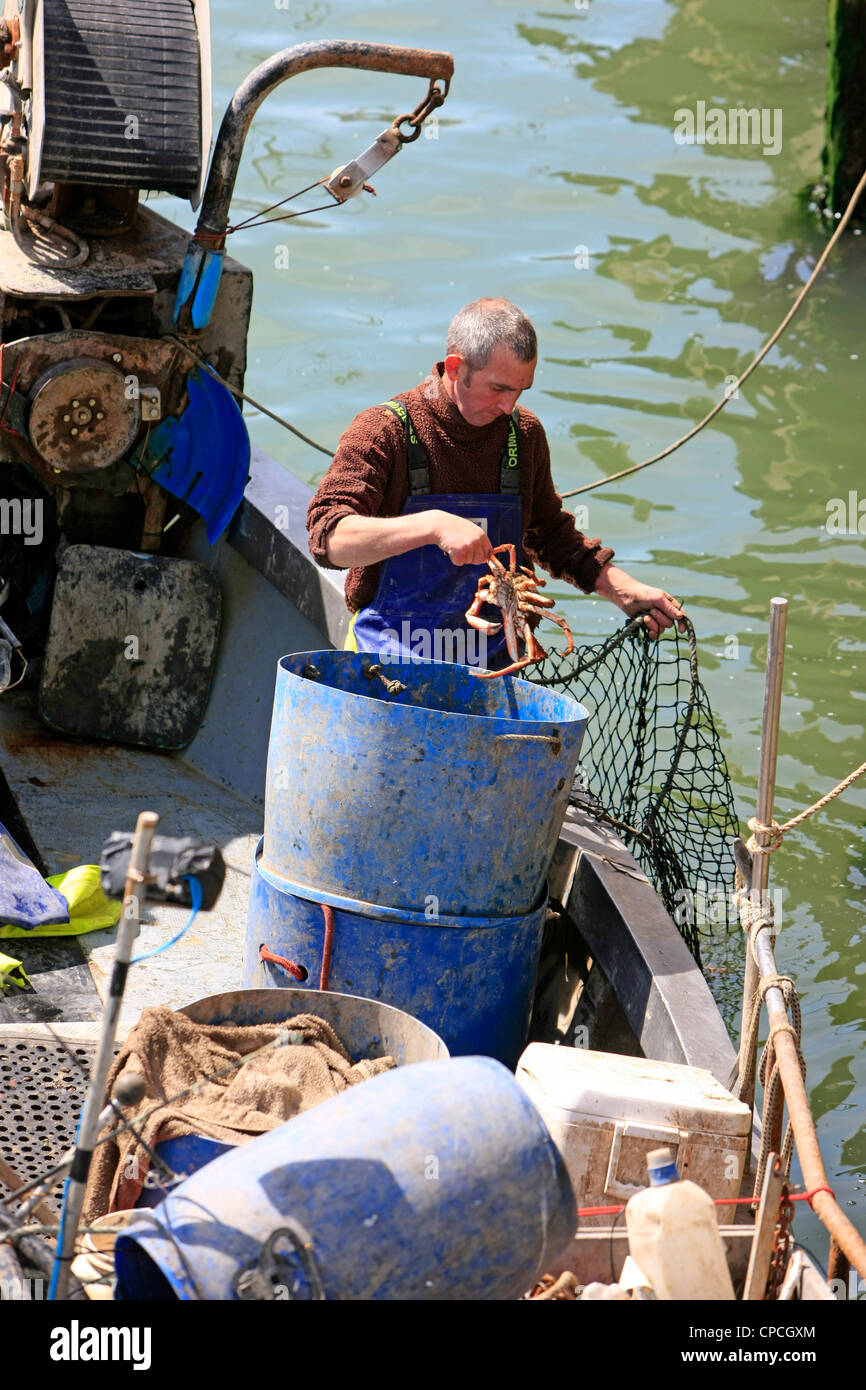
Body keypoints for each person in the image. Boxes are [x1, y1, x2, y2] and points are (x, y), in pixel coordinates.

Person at [306, 298, 685, 670]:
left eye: (521, 390)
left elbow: (550, 533)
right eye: (499, 389)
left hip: (494, 665)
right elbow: (329, 539)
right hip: (386, 663)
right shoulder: (384, 431)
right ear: (455, 368)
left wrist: (618, 587)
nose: (509, 406)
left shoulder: (524, 434)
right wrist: (432, 525)